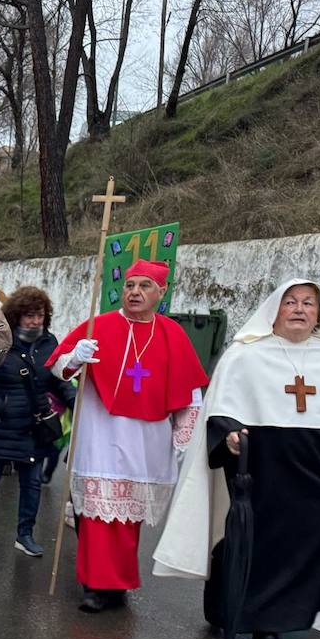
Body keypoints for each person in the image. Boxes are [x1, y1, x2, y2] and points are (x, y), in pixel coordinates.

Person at [155, 280, 320, 639]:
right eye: (291, 302)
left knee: (303, 547)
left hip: (317, 477)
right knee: (251, 542)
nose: (299, 309)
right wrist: (229, 436)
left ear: (319, 313)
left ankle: (273, 625)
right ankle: (227, 607)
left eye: (308, 303)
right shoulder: (245, 356)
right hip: (262, 472)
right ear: (274, 311)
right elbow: (222, 412)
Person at [48, 259, 208, 613]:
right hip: (100, 432)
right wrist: (76, 356)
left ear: (161, 292)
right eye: (130, 285)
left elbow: (190, 389)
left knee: (127, 517)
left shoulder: (172, 333)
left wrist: (186, 437)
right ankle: (94, 584)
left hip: (146, 437)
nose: (135, 292)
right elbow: (59, 368)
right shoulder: (98, 325)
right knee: (95, 513)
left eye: (144, 286)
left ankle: (117, 583)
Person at [0, 286, 75, 557]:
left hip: (33, 428)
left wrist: (76, 401)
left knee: (32, 485)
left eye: (40, 315)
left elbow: (58, 379)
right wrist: (0, 405)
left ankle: (25, 534)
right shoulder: (0, 340)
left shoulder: (49, 342)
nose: (35, 321)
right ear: (16, 316)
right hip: (0, 428)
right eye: (29, 315)